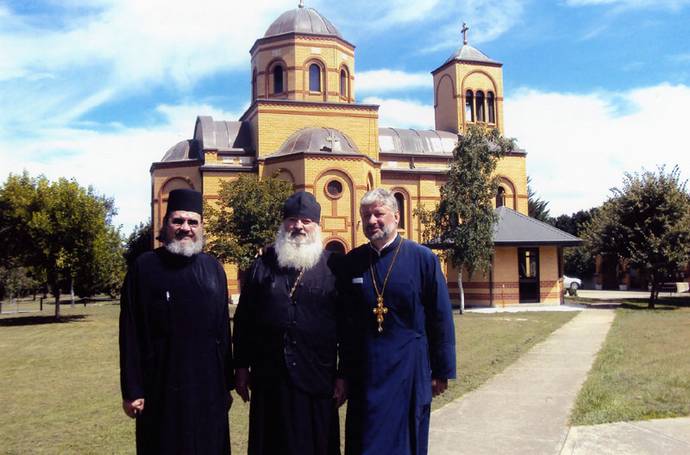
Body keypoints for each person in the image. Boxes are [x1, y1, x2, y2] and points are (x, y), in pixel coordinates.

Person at [119, 188, 233, 454]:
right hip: (161, 388)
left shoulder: (213, 269)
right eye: (178, 221)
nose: (185, 228)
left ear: (201, 226)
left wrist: (226, 384)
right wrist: (132, 389)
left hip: (208, 389)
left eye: (192, 222)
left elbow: (222, 333)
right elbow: (130, 332)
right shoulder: (143, 268)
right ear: (166, 224)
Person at [344, 188, 456, 455]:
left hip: (409, 369)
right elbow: (344, 322)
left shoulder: (423, 259)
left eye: (378, 214)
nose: (371, 221)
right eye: (365, 215)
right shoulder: (353, 262)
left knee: (406, 442)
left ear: (396, 215)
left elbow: (440, 317)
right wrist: (342, 372)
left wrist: (441, 370)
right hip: (365, 370)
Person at [233, 191, 346, 455]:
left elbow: (348, 326)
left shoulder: (335, 267)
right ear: (283, 225)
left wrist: (344, 374)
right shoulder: (262, 266)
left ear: (318, 226)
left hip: (317, 376)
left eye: (306, 220)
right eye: (292, 220)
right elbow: (244, 321)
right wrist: (240, 367)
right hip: (270, 378)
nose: (298, 226)